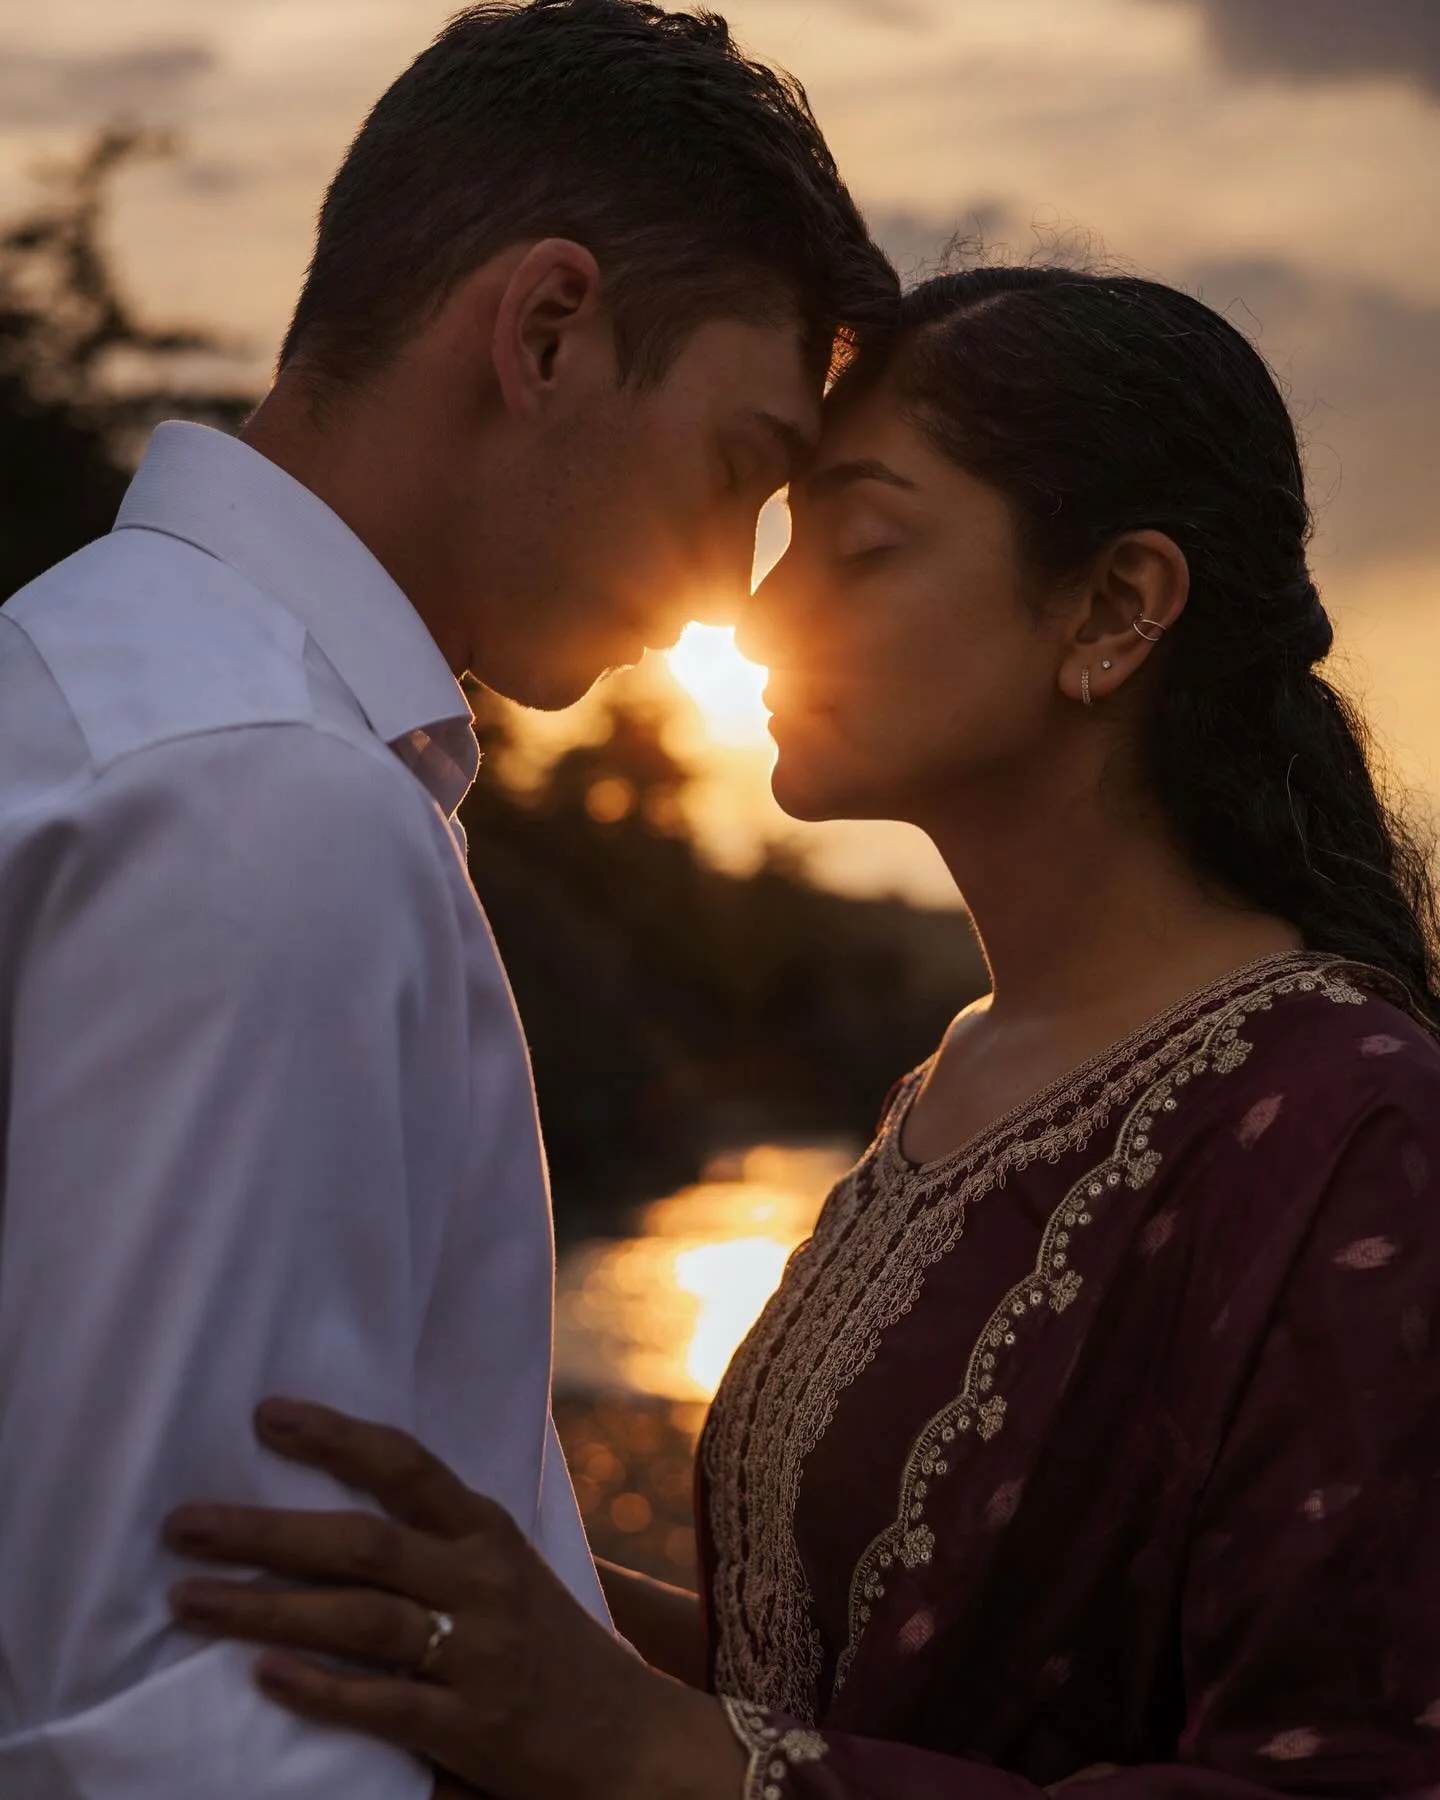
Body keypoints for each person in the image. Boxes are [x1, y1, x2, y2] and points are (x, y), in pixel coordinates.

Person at [165, 266, 1440, 1800]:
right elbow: (860, 1674)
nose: (759, 612)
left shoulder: (1350, 1125)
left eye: (865, 542)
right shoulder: (964, 1069)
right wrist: (525, 1623)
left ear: (1114, 606)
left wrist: (646, 1745)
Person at [0, 3, 896, 1795]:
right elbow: (190, 1716)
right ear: (549, 330)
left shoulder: (107, 682)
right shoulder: (265, 800)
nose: (732, 588)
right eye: (741, 471)